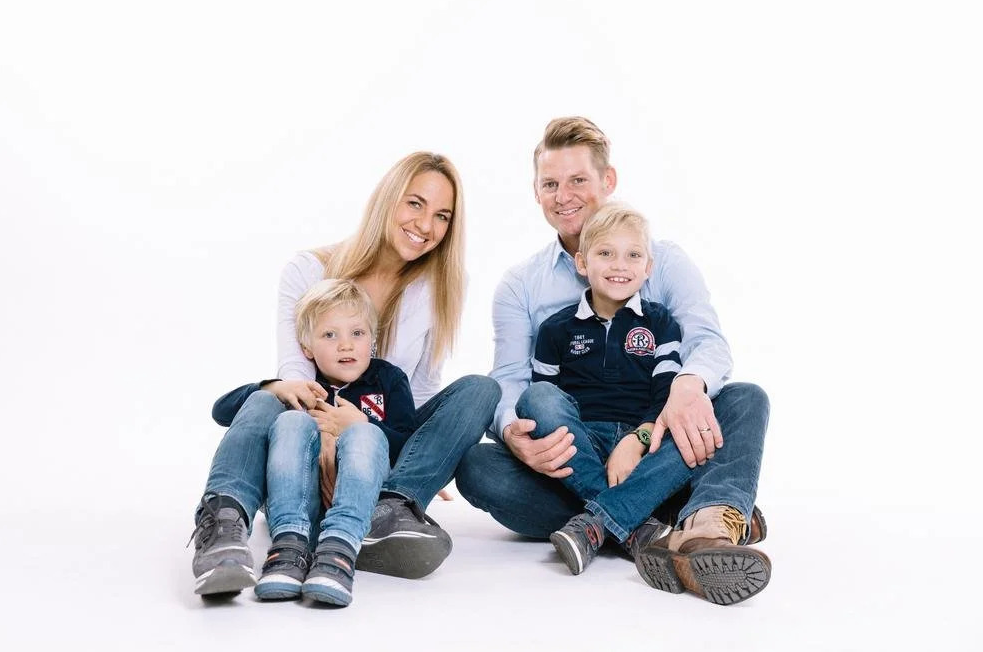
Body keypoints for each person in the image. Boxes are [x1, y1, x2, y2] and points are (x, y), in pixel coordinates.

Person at [455, 117, 771, 606]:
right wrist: (515, 434)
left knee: (745, 399)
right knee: (478, 465)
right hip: (571, 449)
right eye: (550, 184)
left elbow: (709, 343)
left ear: (608, 180)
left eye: (578, 180)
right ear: (536, 192)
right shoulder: (521, 286)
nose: (564, 196)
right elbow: (512, 381)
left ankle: (680, 525)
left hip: (650, 439)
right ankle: (660, 520)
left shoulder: (663, 260)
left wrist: (682, 392)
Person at [189, 151, 500, 597]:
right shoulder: (308, 270)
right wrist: (331, 434)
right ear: (388, 199)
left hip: (376, 455)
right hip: (303, 452)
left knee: (480, 390)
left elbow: (421, 389)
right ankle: (225, 524)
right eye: (415, 203)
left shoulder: (442, 284)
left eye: (442, 215)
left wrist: (420, 460)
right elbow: (296, 379)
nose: (426, 225)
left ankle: (391, 508)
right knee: (268, 396)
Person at [203, 279, 416, 606]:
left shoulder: (388, 379)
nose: (346, 345)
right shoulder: (303, 386)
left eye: (357, 333)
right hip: (298, 502)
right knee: (291, 421)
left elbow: (407, 444)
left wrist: (361, 423)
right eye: (330, 335)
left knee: (365, 433)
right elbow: (222, 410)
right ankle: (289, 546)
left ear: (372, 339)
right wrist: (274, 387)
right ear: (306, 348)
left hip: (359, 506)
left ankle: (339, 548)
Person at [521, 202, 696, 576]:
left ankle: (596, 523)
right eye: (605, 253)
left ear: (648, 267)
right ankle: (635, 524)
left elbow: (666, 393)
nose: (620, 265)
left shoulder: (660, 322)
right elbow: (544, 404)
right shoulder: (556, 329)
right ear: (582, 263)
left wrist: (638, 439)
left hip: (645, 443)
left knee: (698, 432)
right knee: (530, 405)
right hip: (580, 444)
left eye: (633, 255)